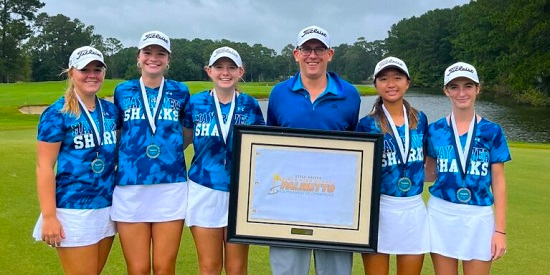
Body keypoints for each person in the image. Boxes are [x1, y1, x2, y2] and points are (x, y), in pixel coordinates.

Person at [266, 25, 360, 275]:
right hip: (287, 203)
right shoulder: (278, 94)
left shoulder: (350, 95)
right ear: (296, 54)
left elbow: (354, 148)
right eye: (306, 49)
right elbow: (269, 148)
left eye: (319, 49)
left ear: (330, 54)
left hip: (335, 203)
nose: (312, 55)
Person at [111, 30, 192, 275]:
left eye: (160, 53)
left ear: (168, 59)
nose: (153, 58)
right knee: (138, 268)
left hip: (170, 185)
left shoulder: (181, 91)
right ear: (139, 56)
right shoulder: (122, 91)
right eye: (148, 52)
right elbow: (117, 133)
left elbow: (186, 135)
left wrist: (167, 151)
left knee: (164, 267)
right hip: (130, 187)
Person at [32, 46, 119, 274]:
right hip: (73, 209)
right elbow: (44, 167)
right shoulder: (56, 114)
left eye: (97, 69)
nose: (92, 74)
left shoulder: (110, 111)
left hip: (107, 206)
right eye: (84, 70)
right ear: (71, 73)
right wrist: (49, 216)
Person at [183, 46, 265, 275]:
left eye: (231, 67)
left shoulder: (250, 105)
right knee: (209, 266)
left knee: (237, 268)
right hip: (204, 188)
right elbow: (182, 141)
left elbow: (262, 150)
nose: (225, 72)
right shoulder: (196, 103)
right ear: (209, 71)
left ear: (241, 71)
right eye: (219, 67)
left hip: (240, 192)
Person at [424, 62, 510, 275]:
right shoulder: (435, 130)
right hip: (441, 214)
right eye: (454, 87)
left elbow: (498, 182)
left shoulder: (492, 131)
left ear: (477, 88)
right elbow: (430, 173)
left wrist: (500, 230)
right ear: (446, 91)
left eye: (468, 86)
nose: (461, 92)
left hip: (479, 217)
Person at [356, 57, 430, 275]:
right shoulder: (366, 124)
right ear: (376, 84)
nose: (391, 84)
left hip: (413, 209)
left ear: (407, 82)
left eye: (397, 78)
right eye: (384, 78)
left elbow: (425, 158)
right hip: (379, 209)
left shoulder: (421, 119)